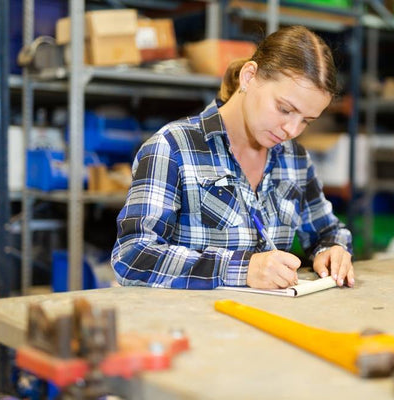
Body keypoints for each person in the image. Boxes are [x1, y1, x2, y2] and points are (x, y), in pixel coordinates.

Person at [111, 25, 354, 290]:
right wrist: (242, 269)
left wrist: (332, 251)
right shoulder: (172, 148)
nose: (292, 130)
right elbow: (132, 258)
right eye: (284, 109)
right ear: (249, 77)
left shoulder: (293, 158)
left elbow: (327, 232)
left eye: (306, 121)